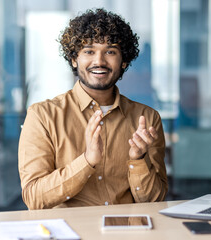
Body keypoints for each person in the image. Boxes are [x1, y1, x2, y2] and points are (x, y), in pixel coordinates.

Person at [18, 8, 168, 209]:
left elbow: (155, 202)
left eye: (110, 51)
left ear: (123, 61)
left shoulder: (147, 118)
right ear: (74, 59)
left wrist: (138, 160)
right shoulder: (42, 116)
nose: (99, 61)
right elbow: (34, 198)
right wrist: (87, 161)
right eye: (89, 51)